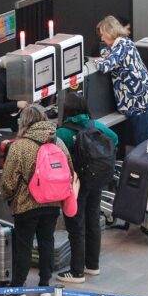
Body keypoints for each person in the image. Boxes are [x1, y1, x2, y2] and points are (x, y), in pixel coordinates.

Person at [0, 106, 70, 296]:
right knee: (47, 241)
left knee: (24, 245)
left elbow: (8, 180)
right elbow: (69, 171)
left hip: (26, 205)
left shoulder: (20, 146)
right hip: (52, 202)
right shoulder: (59, 141)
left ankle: (18, 289)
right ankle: (45, 285)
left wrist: (8, 197)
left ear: (24, 122)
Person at [55, 93, 118, 283]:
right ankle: (92, 265)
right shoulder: (94, 125)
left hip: (75, 183)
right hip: (96, 179)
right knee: (92, 221)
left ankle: (76, 272)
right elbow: (114, 139)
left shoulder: (62, 133)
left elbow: (56, 157)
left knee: (75, 225)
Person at [95, 15, 148, 145]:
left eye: (103, 34)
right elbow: (107, 52)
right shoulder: (126, 42)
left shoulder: (121, 45)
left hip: (137, 102)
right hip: (145, 97)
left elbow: (105, 66)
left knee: (144, 142)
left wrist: (98, 61)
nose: (101, 38)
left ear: (110, 31)